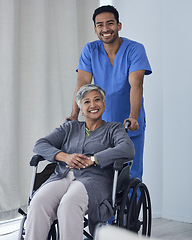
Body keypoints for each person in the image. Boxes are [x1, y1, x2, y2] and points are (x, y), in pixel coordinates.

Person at [25, 84, 135, 240]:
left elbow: (127, 148)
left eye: (97, 100)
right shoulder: (69, 127)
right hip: (63, 176)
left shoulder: (114, 129)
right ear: (81, 109)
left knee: (69, 204)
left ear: (104, 104)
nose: (93, 105)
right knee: (38, 202)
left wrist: (94, 159)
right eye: (86, 102)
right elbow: (40, 144)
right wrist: (64, 156)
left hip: (95, 179)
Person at [66, 5, 152, 181]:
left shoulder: (135, 49)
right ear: (95, 28)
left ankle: (131, 208)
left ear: (119, 25)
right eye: (100, 25)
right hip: (101, 126)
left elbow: (136, 84)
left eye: (110, 23)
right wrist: (74, 115)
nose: (105, 29)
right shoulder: (90, 50)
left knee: (130, 175)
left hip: (129, 124)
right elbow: (82, 83)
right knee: (101, 176)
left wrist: (133, 116)